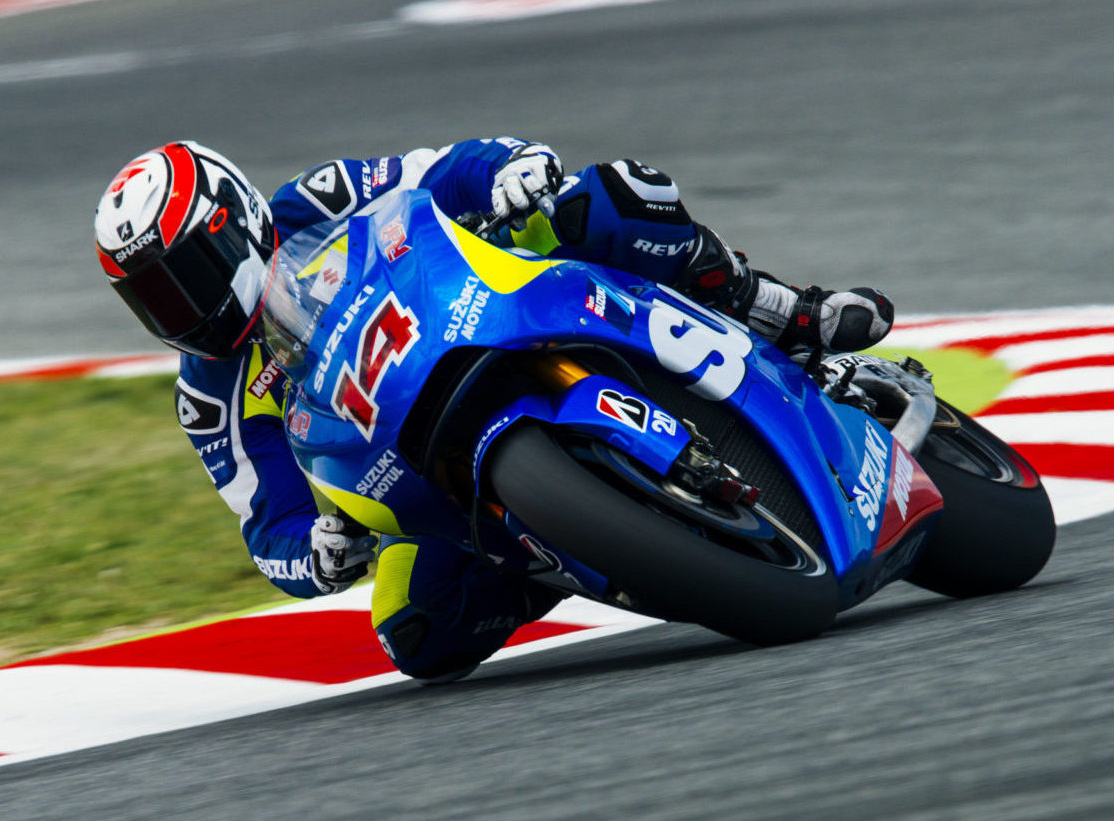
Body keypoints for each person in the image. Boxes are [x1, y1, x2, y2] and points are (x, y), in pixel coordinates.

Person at [92, 138, 894, 682]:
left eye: (186, 272)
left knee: (604, 198)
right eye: (151, 296)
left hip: (490, 308)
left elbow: (443, 167)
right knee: (415, 632)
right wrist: (321, 548)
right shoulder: (210, 396)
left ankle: (783, 313)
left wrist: (511, 169)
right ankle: (570, 543)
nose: (180, 307)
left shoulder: (315, 200)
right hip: (415, 460)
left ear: (234, 222)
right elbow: (269, 530)